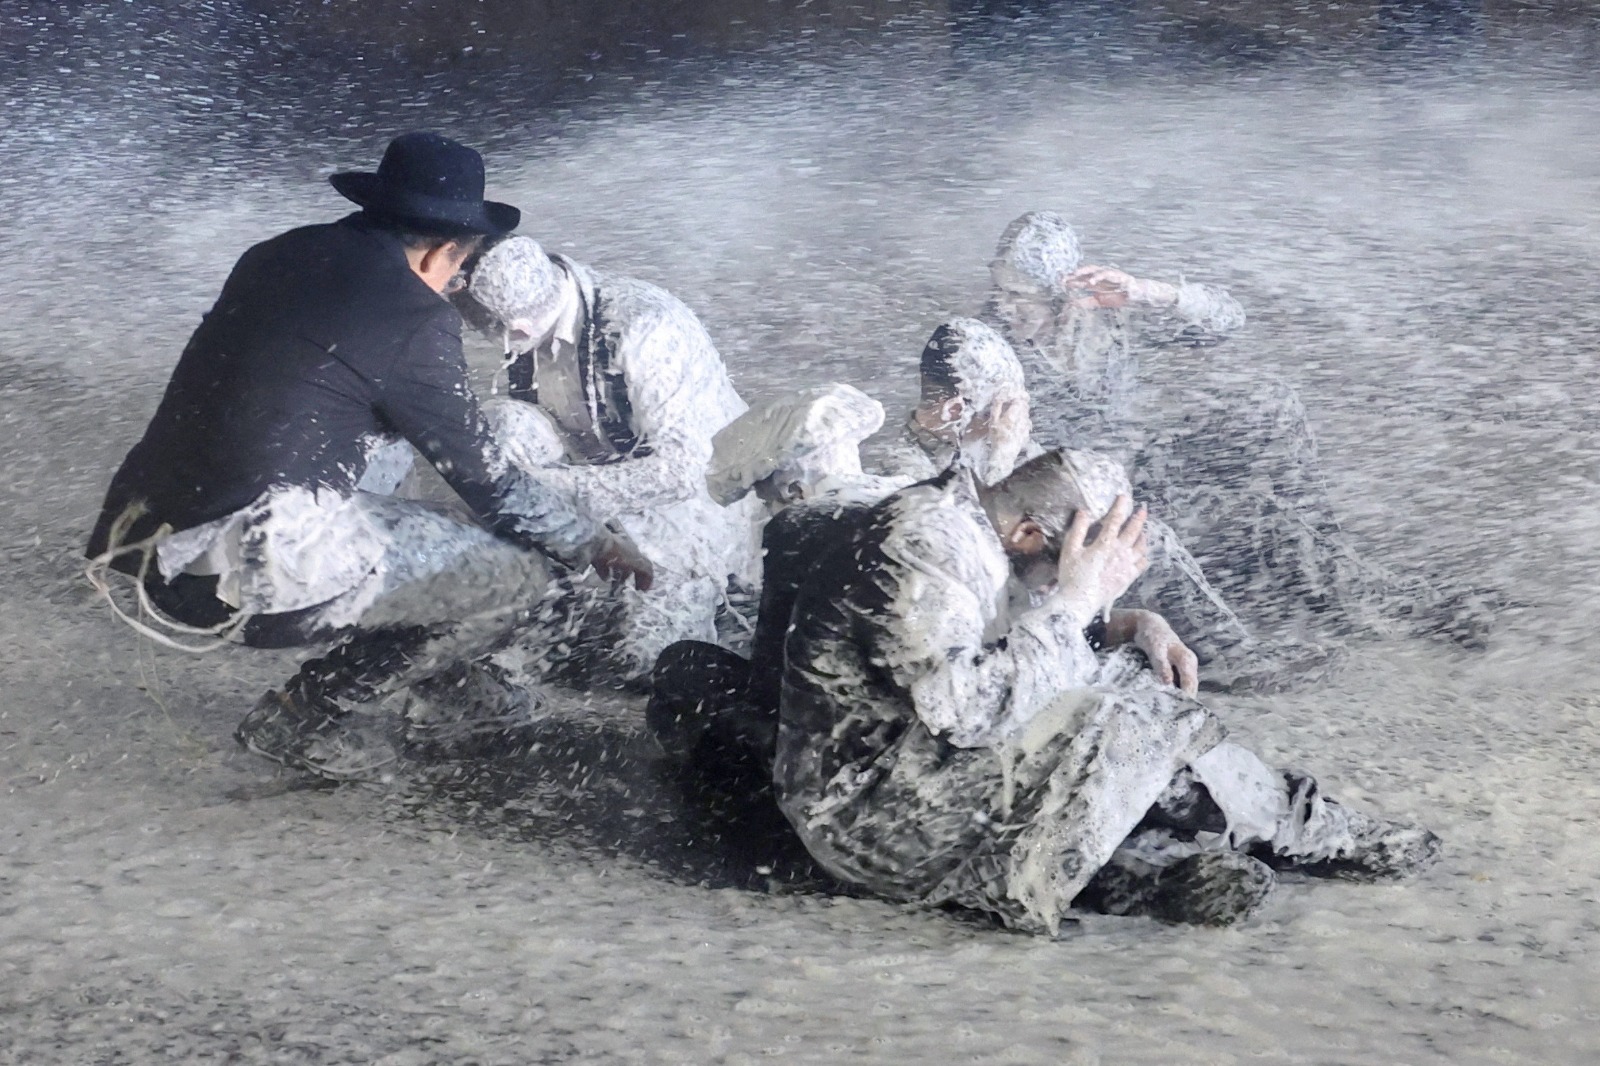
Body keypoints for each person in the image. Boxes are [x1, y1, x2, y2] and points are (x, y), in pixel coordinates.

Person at [84, 132, 649, 779]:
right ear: (442, 250)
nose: (456, 287)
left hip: (142, 538)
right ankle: (302, 715)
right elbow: (488, 479)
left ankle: (451, 690)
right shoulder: (410, 314)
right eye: (457, 272)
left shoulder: (275, 255)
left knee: (420, 512)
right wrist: (593, 545)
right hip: (235, 574)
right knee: (520, 577)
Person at [774, 450, 1440, 931]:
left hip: (924, 780)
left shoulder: (977, 528)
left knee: (1114, 683)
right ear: (1029, 532)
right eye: (1067, 560)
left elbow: (1013, 629)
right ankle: (1309, 834)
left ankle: (1153, 878)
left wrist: (1129, 622)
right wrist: (1079, 598)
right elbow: (969, 709)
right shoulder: (918, 548)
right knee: (1127, 710)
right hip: (869, 816)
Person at [984, 210, 1492, 656]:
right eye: (1000, 292)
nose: (1005, 308)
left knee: (1270, 403)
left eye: (1019, 296)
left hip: (1150, 464)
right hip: (1082, 500)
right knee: (1260, 518)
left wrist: (1148, 292)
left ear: (1063, 293)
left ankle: (1333, 553)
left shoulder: (1103, 317)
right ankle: (1392, 608)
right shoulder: (988, 349)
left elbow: (1228, 320)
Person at [864, 317, 1307, 692]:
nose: (1018, 416)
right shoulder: (900, 470)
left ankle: (1227, 649)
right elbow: (982, 549)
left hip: (1037, 565)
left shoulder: (976, 435)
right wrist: (1003, 454)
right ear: (956, 408)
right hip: (997, 603)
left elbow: (1043, 498)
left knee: (1143, 535)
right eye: (1007, 404)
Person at [452, 234, 758, 684]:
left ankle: (705, 594)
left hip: (693, 504)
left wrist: (547, 492)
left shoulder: (646, 328)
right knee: (506, 424)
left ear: (516, 327)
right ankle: (539, 584)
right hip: (591, 476)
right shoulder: (533, 318)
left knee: (645, 664)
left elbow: (685, 470)